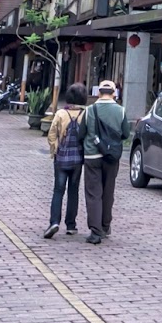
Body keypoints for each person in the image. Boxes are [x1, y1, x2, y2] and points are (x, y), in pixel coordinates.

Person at [80, 80, 127, 245]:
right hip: (111, 158)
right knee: (108, 192)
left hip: (92, 156)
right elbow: (126, 134)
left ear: (99, 93)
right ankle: (105, 226)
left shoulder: (90, 110)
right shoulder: (120, 111)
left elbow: (81, 133)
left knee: (94, 193)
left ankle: (95, 231)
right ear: (114, 93)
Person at [44, 83, 89, 239]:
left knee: (58, 190)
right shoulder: (86, 114)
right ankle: (71, 225)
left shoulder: (61, 114)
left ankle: (54, 222)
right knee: (73, 191)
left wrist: (55, 149)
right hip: (78, 159)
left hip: (61, 158)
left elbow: (51, 134)